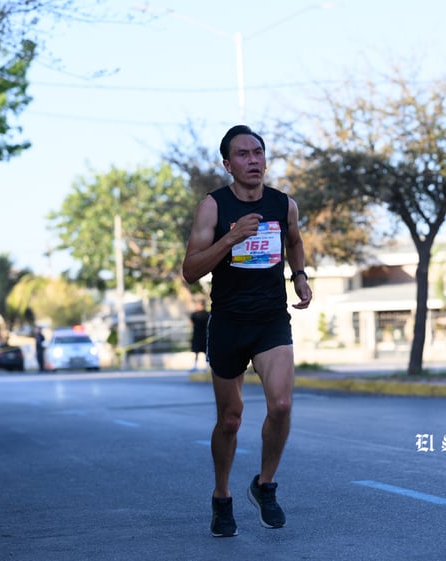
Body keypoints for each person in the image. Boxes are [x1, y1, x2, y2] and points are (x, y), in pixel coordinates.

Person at [181, 125, 313, 538]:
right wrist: (232, 237)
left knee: (282, 405)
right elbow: (190, 271)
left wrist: (300, 276)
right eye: (243, 154)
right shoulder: (213, 207)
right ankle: (222, 497)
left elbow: (293, 241)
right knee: (231, 420)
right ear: (227, 164)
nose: (253, 160)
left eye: (258, 152)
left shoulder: (282, 204)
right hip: (229, 323)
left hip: (271, 320)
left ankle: (265, 484)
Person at [189, 299, 210, 372]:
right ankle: (202, 367)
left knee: (200, 352)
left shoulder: (195, 314)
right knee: (199, 352)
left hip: (200, 335)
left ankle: (203, 366)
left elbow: (191, 323)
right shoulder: (208, 314)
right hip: (202, 335)